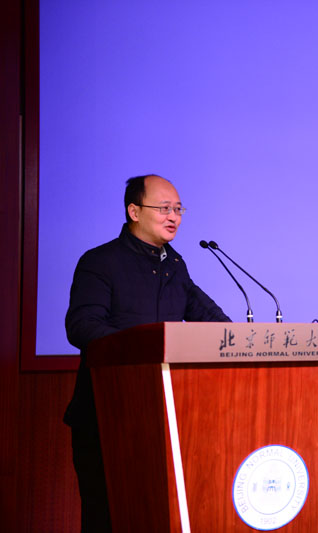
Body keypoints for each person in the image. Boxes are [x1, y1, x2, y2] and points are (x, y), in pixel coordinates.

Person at [63, 174, 230, 531]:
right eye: (164, 208)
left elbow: (213, 321)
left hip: (163, 418)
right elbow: (82, 326)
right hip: (108, 416)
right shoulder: (100, 261)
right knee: (110, 518)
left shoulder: (175, 266)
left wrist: (241, 340)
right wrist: (144, 351)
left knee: (160, 516)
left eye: (178, 209)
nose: (174, 217)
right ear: (134, 211)